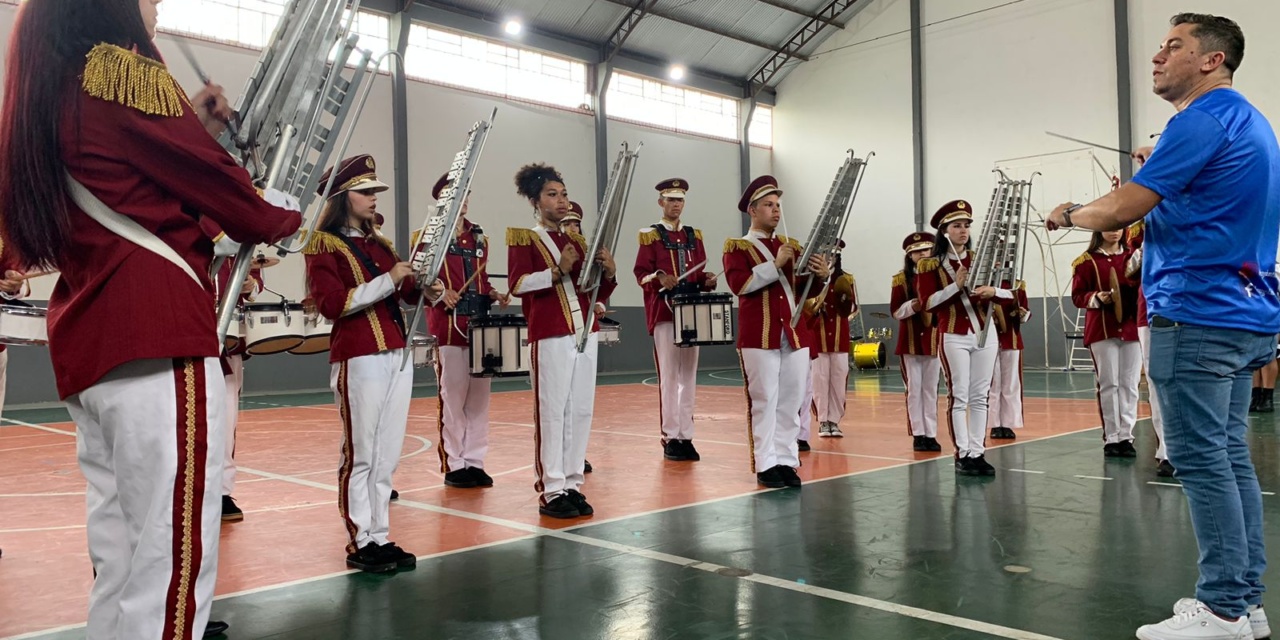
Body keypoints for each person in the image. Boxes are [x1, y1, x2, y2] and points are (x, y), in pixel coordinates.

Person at [0, 0, 303, 636]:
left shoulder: (50, 89)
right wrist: (281, 212)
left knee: (122, 561)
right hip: (156, 332)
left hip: (94, 345)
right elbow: (219, 188)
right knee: (169, 567)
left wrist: (192, 122)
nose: (157, 5)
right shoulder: (121, 72)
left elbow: (133, 173)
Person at [1047, 14, 1279, 640]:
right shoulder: (1251, 121)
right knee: (1229, 456)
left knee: (1204, 460)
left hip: (1198, 312)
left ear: (1211, 61)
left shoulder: (1199, 120)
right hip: (1246, 314)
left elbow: (1124, 209)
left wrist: (1070, 211)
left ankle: (1225, 608)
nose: (1157, 56)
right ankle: (1245, 600)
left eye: (1174, 46)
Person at [305, 154, 428, 574]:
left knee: (387, 453)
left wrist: (420, 281)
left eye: (375, 191)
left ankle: (380, 533)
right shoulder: (323, 244)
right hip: (359, 354)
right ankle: (360, 539)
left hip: (396, 352)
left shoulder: (380, 244)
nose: (374, 198)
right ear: (343, 197)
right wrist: (389, 279)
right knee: (361, 452)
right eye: (366, 191)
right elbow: (331, 304)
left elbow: (407, 295)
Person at [507, 164, 617, 518]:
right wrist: (555, 272)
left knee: (580, 409)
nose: (561, 200)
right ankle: (551, 488)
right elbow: (517, 284)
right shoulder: (525, 238)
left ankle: (572, 482)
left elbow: (594, 288)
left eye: (564, 194)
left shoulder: (577, 240)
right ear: (536, 202)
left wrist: (610, 273)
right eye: (552, 195)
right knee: (552, 411)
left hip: (585, 331)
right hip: (551, 331)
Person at [722, 176, 829, 488]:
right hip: (759, 334)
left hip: (794, 332)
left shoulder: (793, 246)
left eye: (778, 205)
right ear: (752, 211)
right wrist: (776, 264)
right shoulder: (737, 247)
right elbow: (740, 285)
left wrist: (820, 277)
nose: (776, 211)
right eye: (768, 205)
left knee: (791, 399)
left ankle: (786, 458)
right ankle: (766, 463)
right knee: (764, 399)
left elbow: (803, 291)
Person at [916, 201, 1013, 477]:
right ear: (944, 231)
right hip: (953, 334)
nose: (963, 230)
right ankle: (962, 454)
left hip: (985, 333)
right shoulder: (929, 265)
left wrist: (992, 290)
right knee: (958, 396)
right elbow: (928, 303)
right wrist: (955, 286)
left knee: (980, 396)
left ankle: (978, 451)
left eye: (966, 225)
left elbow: (1011, 293)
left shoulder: (981, 259)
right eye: (956, 225)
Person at [426, 173, 509, 489]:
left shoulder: (479, 238)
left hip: (480, 327)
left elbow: (482, 279)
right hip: (449, 328)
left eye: (465, 194)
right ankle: (455, 463)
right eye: (455, 194)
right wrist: (439, 290)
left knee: (480, 400)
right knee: (453, 397)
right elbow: (420, 279)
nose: (462, 200)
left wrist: (494, 293)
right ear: (441, 198)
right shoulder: (429, 237)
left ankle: (475, 460)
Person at [634, 178, 717, 461]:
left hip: (692, 311)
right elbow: (640, 273)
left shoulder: (695, 235)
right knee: (669, 377)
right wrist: (659, 278)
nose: (675, 205)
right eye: (670, 200)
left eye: (679, 200)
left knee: (689, 376)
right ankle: (670, 436)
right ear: (661, 202)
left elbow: (700, 270)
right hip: (665, 313)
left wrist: (707, 280)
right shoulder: (650, 235)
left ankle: (687, 435)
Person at [1072, 231, 1141, 458]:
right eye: (1109, 226)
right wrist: (1097, 297)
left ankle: (1126, 436)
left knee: (1130, 384)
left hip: (1132, 328)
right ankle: (1112, 437)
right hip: (1102, 328)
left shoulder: (1134, 257)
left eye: (1119, 226)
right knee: (1109, 384)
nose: (1115, 231)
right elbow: (1078, 296)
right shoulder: (1085, 261)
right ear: (1099, 229)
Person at [1126, 221, 1175, 476]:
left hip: (1197, 309)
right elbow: (1131, 272)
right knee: (1159, 385)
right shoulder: (1142, 229)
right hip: (1154, 311)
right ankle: (1168, 452)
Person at [892, 232, 942, 452]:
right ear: (909, 255)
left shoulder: (938, 276)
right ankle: (918, 433)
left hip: (933, 339)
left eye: (928, 250)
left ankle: (930, 433)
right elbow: (895, 311)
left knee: (931, 389)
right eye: (918, 251)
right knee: (914, 388)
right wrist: (913, 305)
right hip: (910, 340)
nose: (924, 254)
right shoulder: (901, 280)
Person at [807, 241, 857, 438]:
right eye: (826, 255)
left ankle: (834, 420)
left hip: (839, 336)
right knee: (818, 379)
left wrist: (845, 303)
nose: (829, 259)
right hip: (817, 335)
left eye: (833, 256)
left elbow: (853, 308)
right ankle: (822, 420)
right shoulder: (811, 278)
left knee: (838, 378)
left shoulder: (847, 278)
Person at [986, 278, 1029, 440]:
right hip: (988, 339)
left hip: (1011, 338)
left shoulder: (1016, 285)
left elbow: (1025, 310)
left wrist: (1023, 314)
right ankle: (994, 424)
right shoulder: (982, 283)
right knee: (993, 383)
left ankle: (1009, 423)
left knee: (1011, 383)